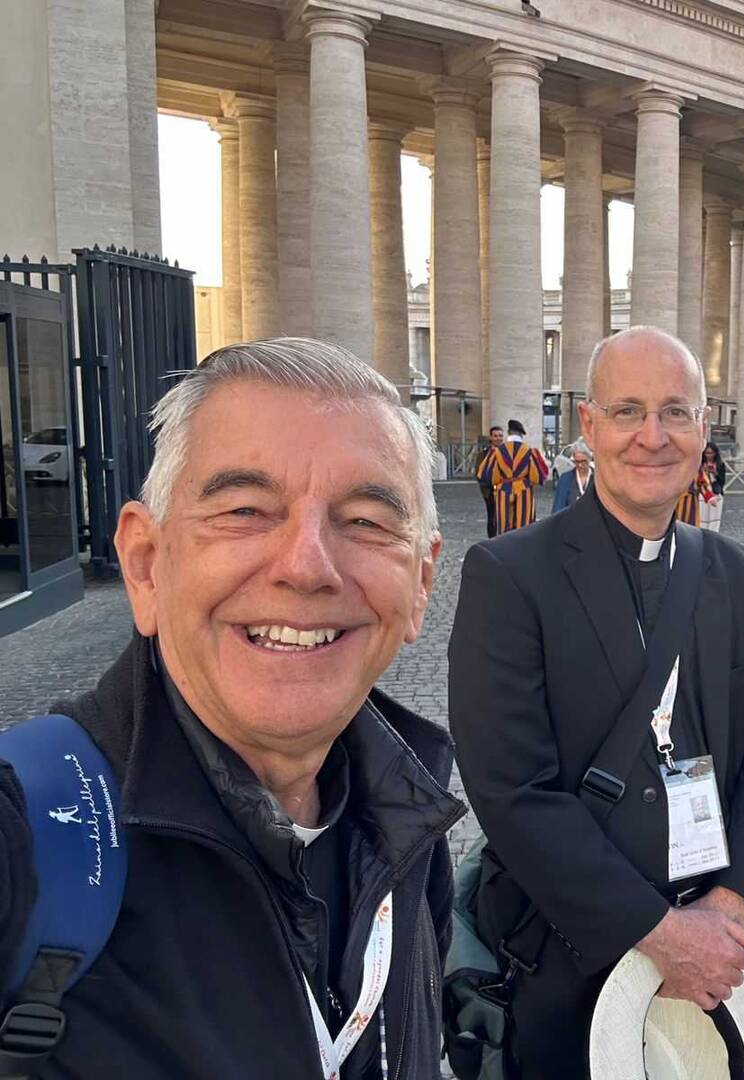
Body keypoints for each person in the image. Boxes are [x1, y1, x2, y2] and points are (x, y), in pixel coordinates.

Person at [0, 338, 464, 1078]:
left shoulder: (411, 824)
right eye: (247, 510)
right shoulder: (23, 839)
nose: (307, 565)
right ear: (146, 564)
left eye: (367, 522)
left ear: (421, 584)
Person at [448, 326, 744, 1076]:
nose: (652, 436)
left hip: (711, 938)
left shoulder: (738, 575)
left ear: (704, 428)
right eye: (629, 410)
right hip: (563, 943)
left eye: (676, 412)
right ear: (589, 426)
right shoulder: (511, 576)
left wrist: (729, 906)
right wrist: (658, 932)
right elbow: (511, 789)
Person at [480, 419, 548, 534]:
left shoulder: (497, 451)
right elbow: (536, 476)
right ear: (521, 434)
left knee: (504, 526)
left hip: (503, 490)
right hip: (523, 490)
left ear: (508, 433)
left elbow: (491, 476)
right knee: (524, 526)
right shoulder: (528, 451)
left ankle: (505, 549)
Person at [552, 438, 594, 513]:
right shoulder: (565, 479)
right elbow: (558, 508)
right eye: (577, 461)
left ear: (589, 458)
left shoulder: (598, 479)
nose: (580, 465)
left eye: (583, 461)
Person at [476, 425, 504, 538]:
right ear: (491, 438)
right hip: (490, 491)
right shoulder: (483, 454)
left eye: (500, 435)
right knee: (492, 517)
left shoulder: (508, 453)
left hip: (505, 490)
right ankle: (492, 539)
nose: (498, 438)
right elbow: (478, 472)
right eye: (495, 436)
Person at [698, 441, 726, 532]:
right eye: (707, 453)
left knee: (715, 519)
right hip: (703, 494)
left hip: (716, 492)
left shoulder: (720, 465)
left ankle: (714, 536)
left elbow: (722, 482)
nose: (709, 455)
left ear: (715, 453)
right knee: (702, 518)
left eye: (711, 453)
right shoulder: (700, 464)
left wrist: (715, 473)